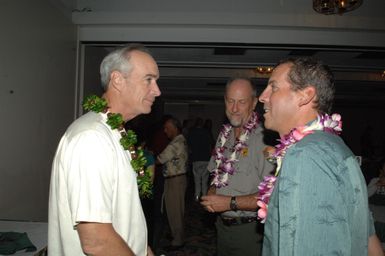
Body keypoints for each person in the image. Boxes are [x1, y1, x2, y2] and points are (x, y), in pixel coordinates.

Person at [257, 56, 383, 255]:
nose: (262, 96)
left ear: (305, 96)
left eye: (273, 87)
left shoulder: (305, 155)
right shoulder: (333, 145)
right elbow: (367, 238)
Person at [48, 44, 161, 256]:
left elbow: (123, 216)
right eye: (149, 79)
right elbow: (96, 240)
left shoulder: (116, 132)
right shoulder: (92, 138)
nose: (157, 90)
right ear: (117, 80)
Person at [200, 78, 274, 256]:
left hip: (250, 231)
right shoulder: (224, 135)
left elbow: (272, 196)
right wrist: (212, 190)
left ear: (254, 103)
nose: (234, 108)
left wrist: (229, 203)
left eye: (241, 102)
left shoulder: (265, 139)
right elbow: (216, 174)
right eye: (230, 101)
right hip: (222, 227)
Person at [157, 116, 188, 250]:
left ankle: (178, 241)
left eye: (167, 128)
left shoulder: (176, 143)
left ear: (174, 128)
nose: (165, 131)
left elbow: (160, 159)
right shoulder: (180, 139)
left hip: (175, 180)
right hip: (177, 179)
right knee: (175, 210)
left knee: (174, 211)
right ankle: (177, 235)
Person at [187, 117, 213, 201]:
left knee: (197, 180)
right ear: (202, 124)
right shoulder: (207, 132)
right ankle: (204, 197)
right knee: (205, 181)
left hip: (196, 159)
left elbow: (189, 147)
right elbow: (210, 146)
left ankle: (197, 197)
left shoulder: (192, 133)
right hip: (206, 159)